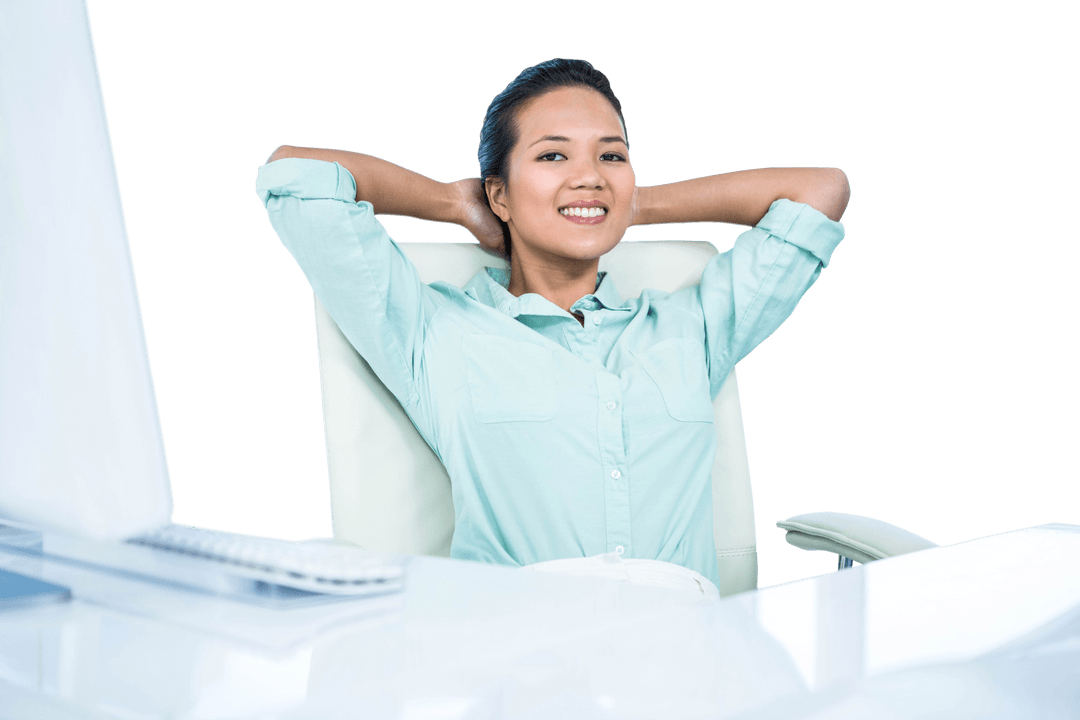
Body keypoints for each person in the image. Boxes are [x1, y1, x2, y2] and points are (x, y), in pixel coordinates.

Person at [254, 58, 849, 601]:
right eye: (553, 156)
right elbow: (297, 173)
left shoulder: (690, 327)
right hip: (521, 642)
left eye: (611, 156)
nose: (589, 175)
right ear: (500, 193)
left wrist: (629, 204)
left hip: (683, 644)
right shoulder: (434, 331)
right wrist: (452, 202)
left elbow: (820, 191)